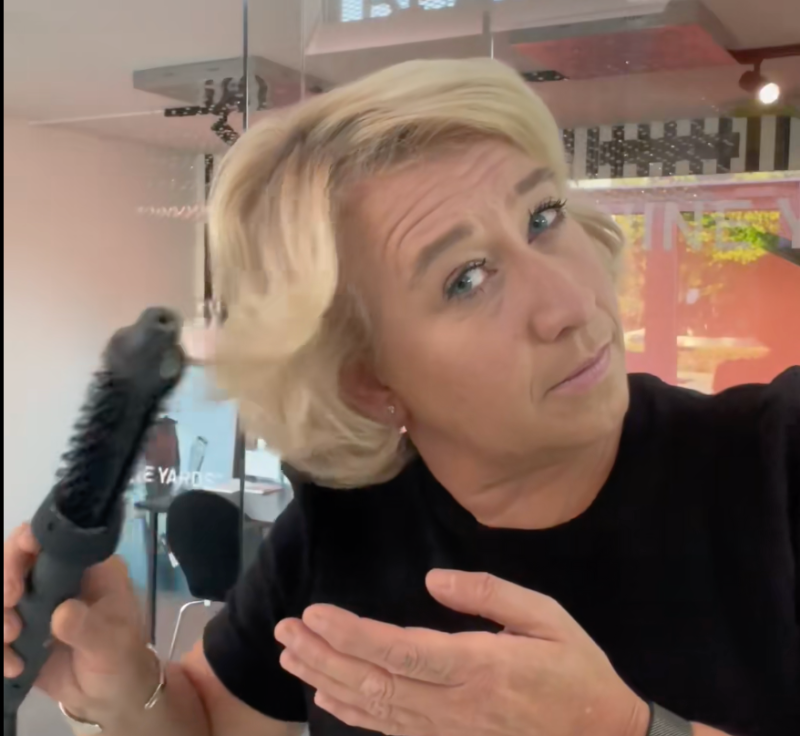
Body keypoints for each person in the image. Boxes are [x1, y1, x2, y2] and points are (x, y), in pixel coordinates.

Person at [4, 58, 798, 736]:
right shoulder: (346, 521)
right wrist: (124, 686)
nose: (570, 302)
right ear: (368, 380)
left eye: (543, 217)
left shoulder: (776, 463)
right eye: (467, 279)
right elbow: (212, 718)